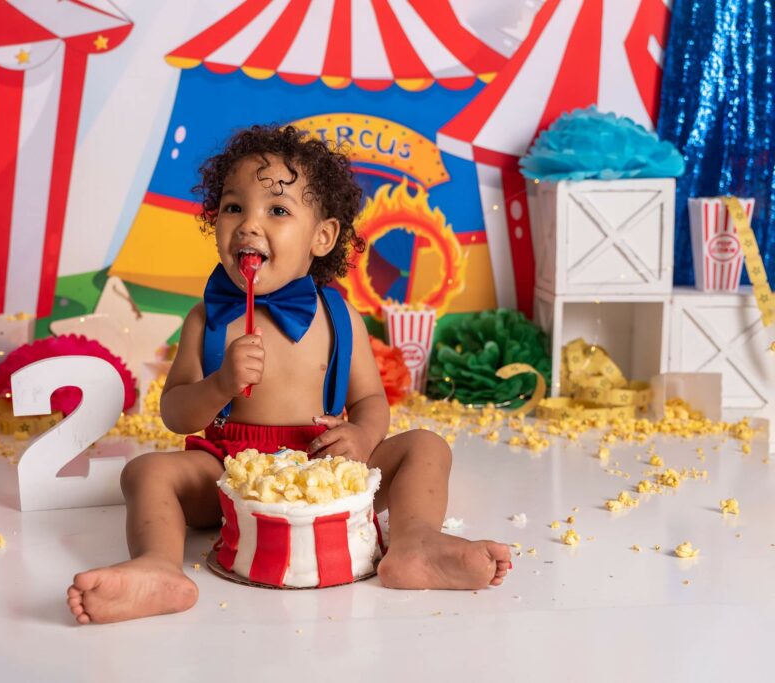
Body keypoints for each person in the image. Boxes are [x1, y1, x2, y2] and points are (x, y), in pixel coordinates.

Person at [67, 124, 511, 624]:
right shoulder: (207, 320)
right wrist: (219, 385)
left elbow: (369, 401)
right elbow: (175, 414)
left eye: (277, 210)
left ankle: (415, 543)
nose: (249, 225)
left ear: (322, 237)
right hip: (230, 471)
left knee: (427, 446)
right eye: (234, 207)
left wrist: (362, 437)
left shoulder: (338, 317)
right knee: (145, 472)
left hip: (325, 466)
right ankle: (158, 568)